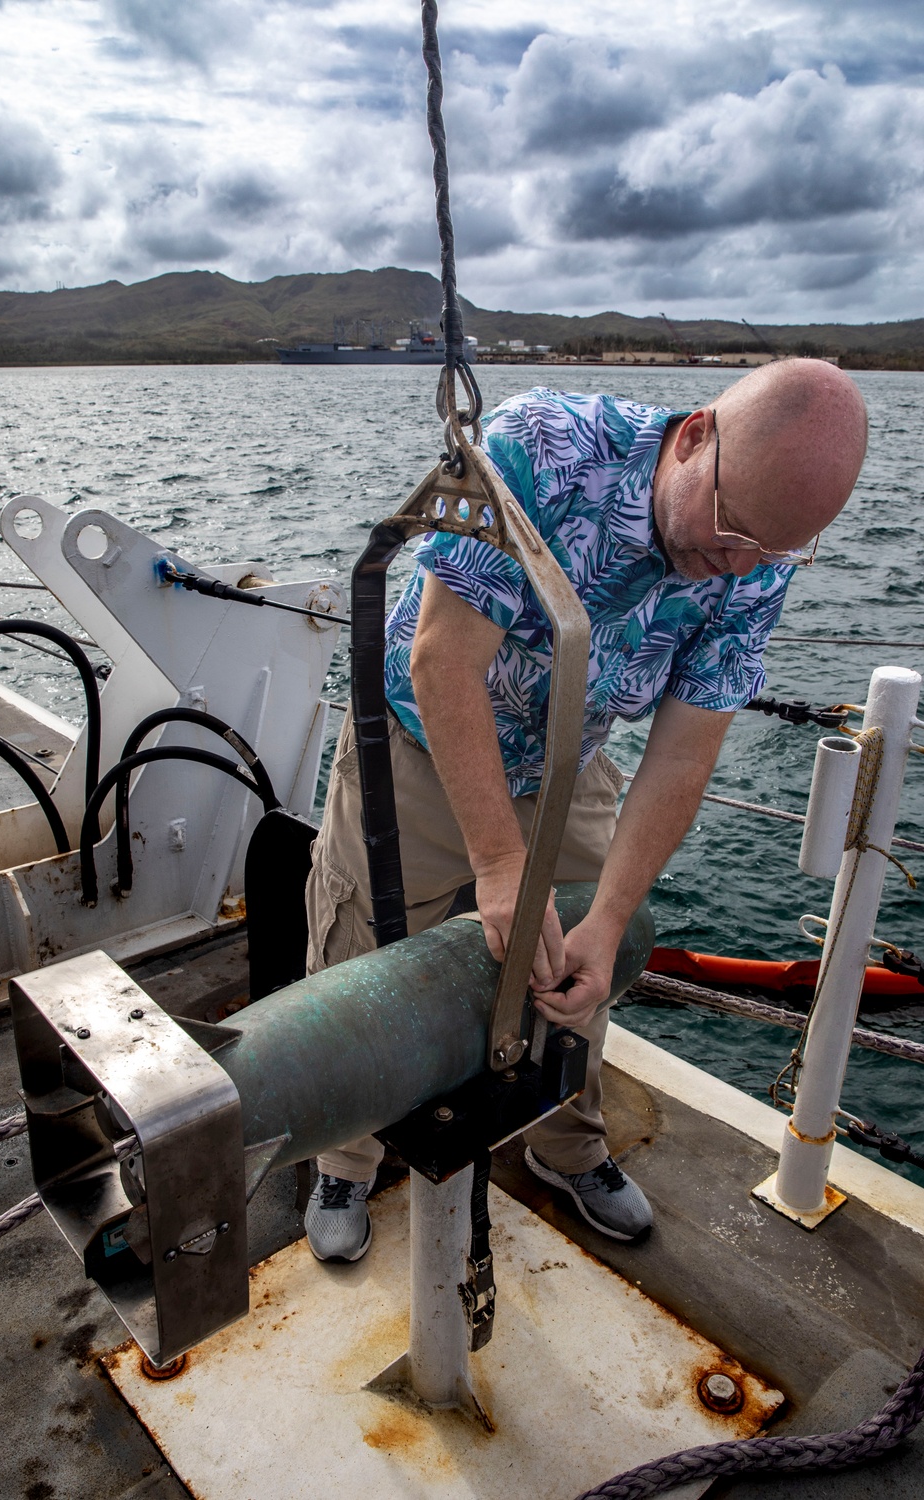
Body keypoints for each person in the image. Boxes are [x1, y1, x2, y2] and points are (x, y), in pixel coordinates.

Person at [302, 357, 868, 1263]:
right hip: (421, 742)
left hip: (572, 755)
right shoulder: (545, 449)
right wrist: (497, 863)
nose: (739, 563)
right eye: (731, 531)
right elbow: (443, 659)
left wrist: (607, 920)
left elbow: (684, 754)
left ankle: (568, 1142)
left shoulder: (754, 560)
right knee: (363, 946)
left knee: (580, 969)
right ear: (693, 439)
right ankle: (347, 1156)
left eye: (773, 549)